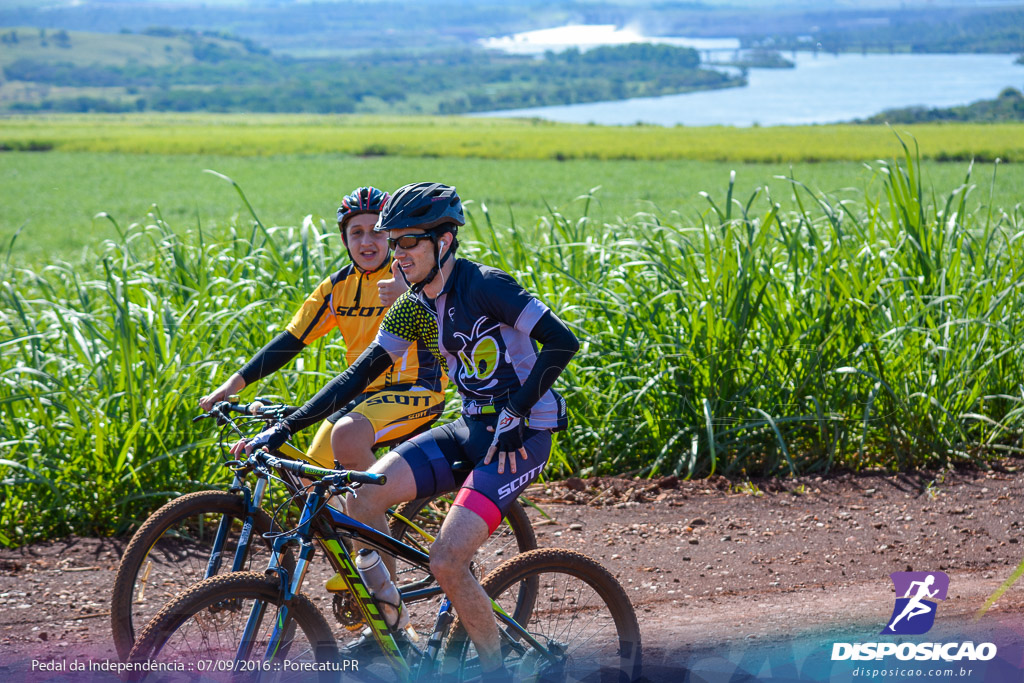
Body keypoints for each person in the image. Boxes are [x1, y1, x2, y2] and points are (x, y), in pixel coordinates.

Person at [234, 181, 579, 680]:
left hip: (519, 439)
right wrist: (283, 428)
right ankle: (392, 630)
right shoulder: (415, 304)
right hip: (472, 428)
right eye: (392, 243)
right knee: (362, 497)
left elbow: (561, 342)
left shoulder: (486, 285)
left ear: (443, 242)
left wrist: (517, 411)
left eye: (407, 242)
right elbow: (359, 374)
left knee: (445, 561)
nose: (397, 254)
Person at [200, 185, 448, 473]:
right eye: (357, 233)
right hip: (361, 393)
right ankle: (352, 515)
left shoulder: (411, 272)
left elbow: (449, 325)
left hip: (417, 390)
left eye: (377, 232)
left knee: (350, 456)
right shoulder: (336, 287)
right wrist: (234, 383)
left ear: (391, 236)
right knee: (312, 470)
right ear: (344, 239)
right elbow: (292, 340)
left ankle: (374, 507)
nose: (367, 241)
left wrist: (408, 294)